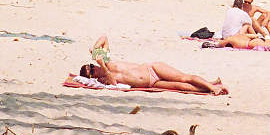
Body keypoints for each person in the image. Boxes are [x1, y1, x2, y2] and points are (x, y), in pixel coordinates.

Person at [79, 35, 227, 94]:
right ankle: (211, 87)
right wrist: (103, 69)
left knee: (183, 78)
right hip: (151, 84)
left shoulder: (107, 61)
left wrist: (94, 51)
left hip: (152, 69)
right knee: (180, 87)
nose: (94, 68)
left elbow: (103, 38)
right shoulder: (104, 79)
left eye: (91, 65)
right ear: (92, 76)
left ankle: (212, 87)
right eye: (91, 71)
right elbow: (114, 83)